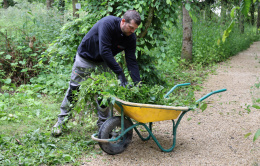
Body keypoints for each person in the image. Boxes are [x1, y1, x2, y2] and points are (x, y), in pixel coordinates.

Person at [52, 10, 142, 136]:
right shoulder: (107, 23)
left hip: (104, 62)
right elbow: (104, 50)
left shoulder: (130, 37)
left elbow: (131, 60)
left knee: (105, 93)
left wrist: (138, 84)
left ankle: (104, 125)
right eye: (131, 27)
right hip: (85, 57)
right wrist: (120, 74)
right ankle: (60, 123)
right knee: (74, 89)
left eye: (135, 29)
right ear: (123, 21)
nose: (132, 31)